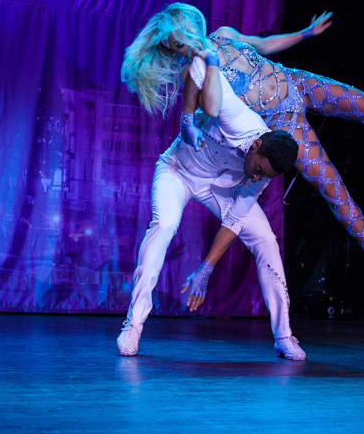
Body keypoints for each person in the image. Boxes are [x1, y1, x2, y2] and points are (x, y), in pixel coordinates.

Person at [121, 3, 364, 298]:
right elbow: (209, 109)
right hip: (284, 126)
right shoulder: (197, 72)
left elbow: (264, 44)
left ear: (189, 26)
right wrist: (195, 101)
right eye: (175, 49)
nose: (182, 50)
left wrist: (306, 33)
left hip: (297, 83)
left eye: (180, 42)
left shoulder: (224, 35)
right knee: (333, 189)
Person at [116, 48, 306, 360]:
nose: (258, 176)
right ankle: (134, 325)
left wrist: (206, 268)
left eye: (265, 176)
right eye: (259, 168)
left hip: (216, 187)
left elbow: (235, 221)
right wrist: (187, 119)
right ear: (256, 145)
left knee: (266, 240)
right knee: (164, 225)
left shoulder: (264, 172)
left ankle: (284, 336)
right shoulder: (236, 116)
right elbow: (198, 65)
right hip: (177, 171)